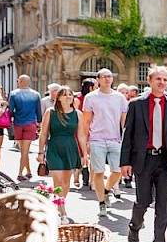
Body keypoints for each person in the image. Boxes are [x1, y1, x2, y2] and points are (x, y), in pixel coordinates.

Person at [120, 66, 167, 242]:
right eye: (158, 78)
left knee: (163, 206)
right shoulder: (136, 105)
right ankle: (134, 226)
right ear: (149, 81)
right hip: (143, 160)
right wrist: (125, 162)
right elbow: (128, 136)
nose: (162, 82)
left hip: (164, 160)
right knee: (143, 201)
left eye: (165, 80)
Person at [37, 86, 88, 224]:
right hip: (54, 148)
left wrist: (85, 154)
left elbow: (82, 136)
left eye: (70, 94)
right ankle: (63, 211)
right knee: (58, 181)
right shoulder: (51, 112)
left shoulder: (78, 114)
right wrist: (40, 152)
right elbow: (43, 133)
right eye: (64, 94)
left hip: (70, 148)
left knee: (66, 183)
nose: (68, 97)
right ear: (58, 98)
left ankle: (58, 204)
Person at [82, 68, 128, 219]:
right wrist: (86, 141)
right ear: (98, 79)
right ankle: (101, 202)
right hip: (97, 139)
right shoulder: (91, 97)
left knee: (117, 171)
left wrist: (126, 140)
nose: (108, 79)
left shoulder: (120, 97)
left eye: (110, 76)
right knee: (99, 172)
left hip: (115, 139)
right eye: (104, 77)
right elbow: (86, 121)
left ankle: (107, 190)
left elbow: (124, 121)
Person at [7, 75, 42, 181]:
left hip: (18, 123)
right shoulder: (36, 95)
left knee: (23, 150)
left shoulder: (13, 94)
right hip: (30, 123)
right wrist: (39, 122)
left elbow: (10, 111)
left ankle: (20, 173)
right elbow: (38, 110)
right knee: (24, 150)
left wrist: (11, 119)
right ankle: (28, 171)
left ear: (20, 82)